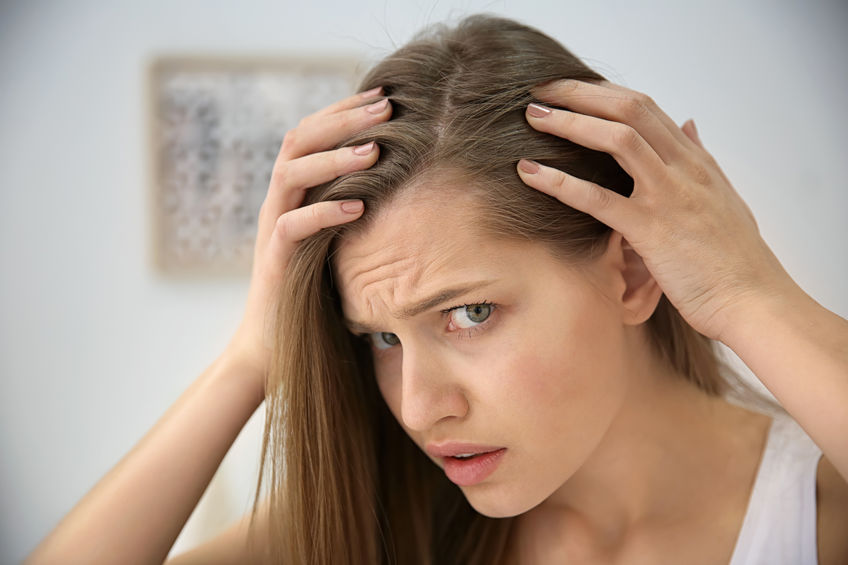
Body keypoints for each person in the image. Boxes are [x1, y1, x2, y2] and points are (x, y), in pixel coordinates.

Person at [27, 14, 848, 565]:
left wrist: (750, 297)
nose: (420, 407)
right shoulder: (397, 522)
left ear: (633, 270)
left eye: (469, 313)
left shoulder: (815, 515)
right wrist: (248, 358)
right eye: (381, 338)